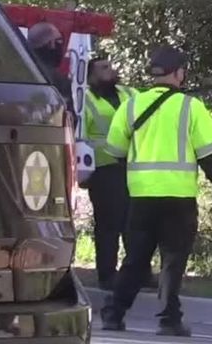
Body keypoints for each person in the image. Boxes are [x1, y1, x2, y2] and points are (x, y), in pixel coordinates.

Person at [99, 46, 212, 337]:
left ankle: (113, 313)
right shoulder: (189, 107)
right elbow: (209, 154)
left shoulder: (130, 106)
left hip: (141, 197)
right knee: (173, 260)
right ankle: (169, 321)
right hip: (178, 198)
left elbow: (116, 151)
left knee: (135, 259)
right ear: (179, 73)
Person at [84, 57, 140, 290]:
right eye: (103, 68)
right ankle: (107, 275)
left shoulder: (129, 93)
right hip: (104, 170)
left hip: (134, 166)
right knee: (109, 225)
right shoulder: (85, 99)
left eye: (111, 66)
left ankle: (139, 272)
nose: (111, 70)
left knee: (135, 222)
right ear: (91, 75)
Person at [26, 22, 72, 111]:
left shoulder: (17, 71)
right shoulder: (58, 80)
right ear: (51, 43)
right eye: (60, 41)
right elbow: (68, 117)